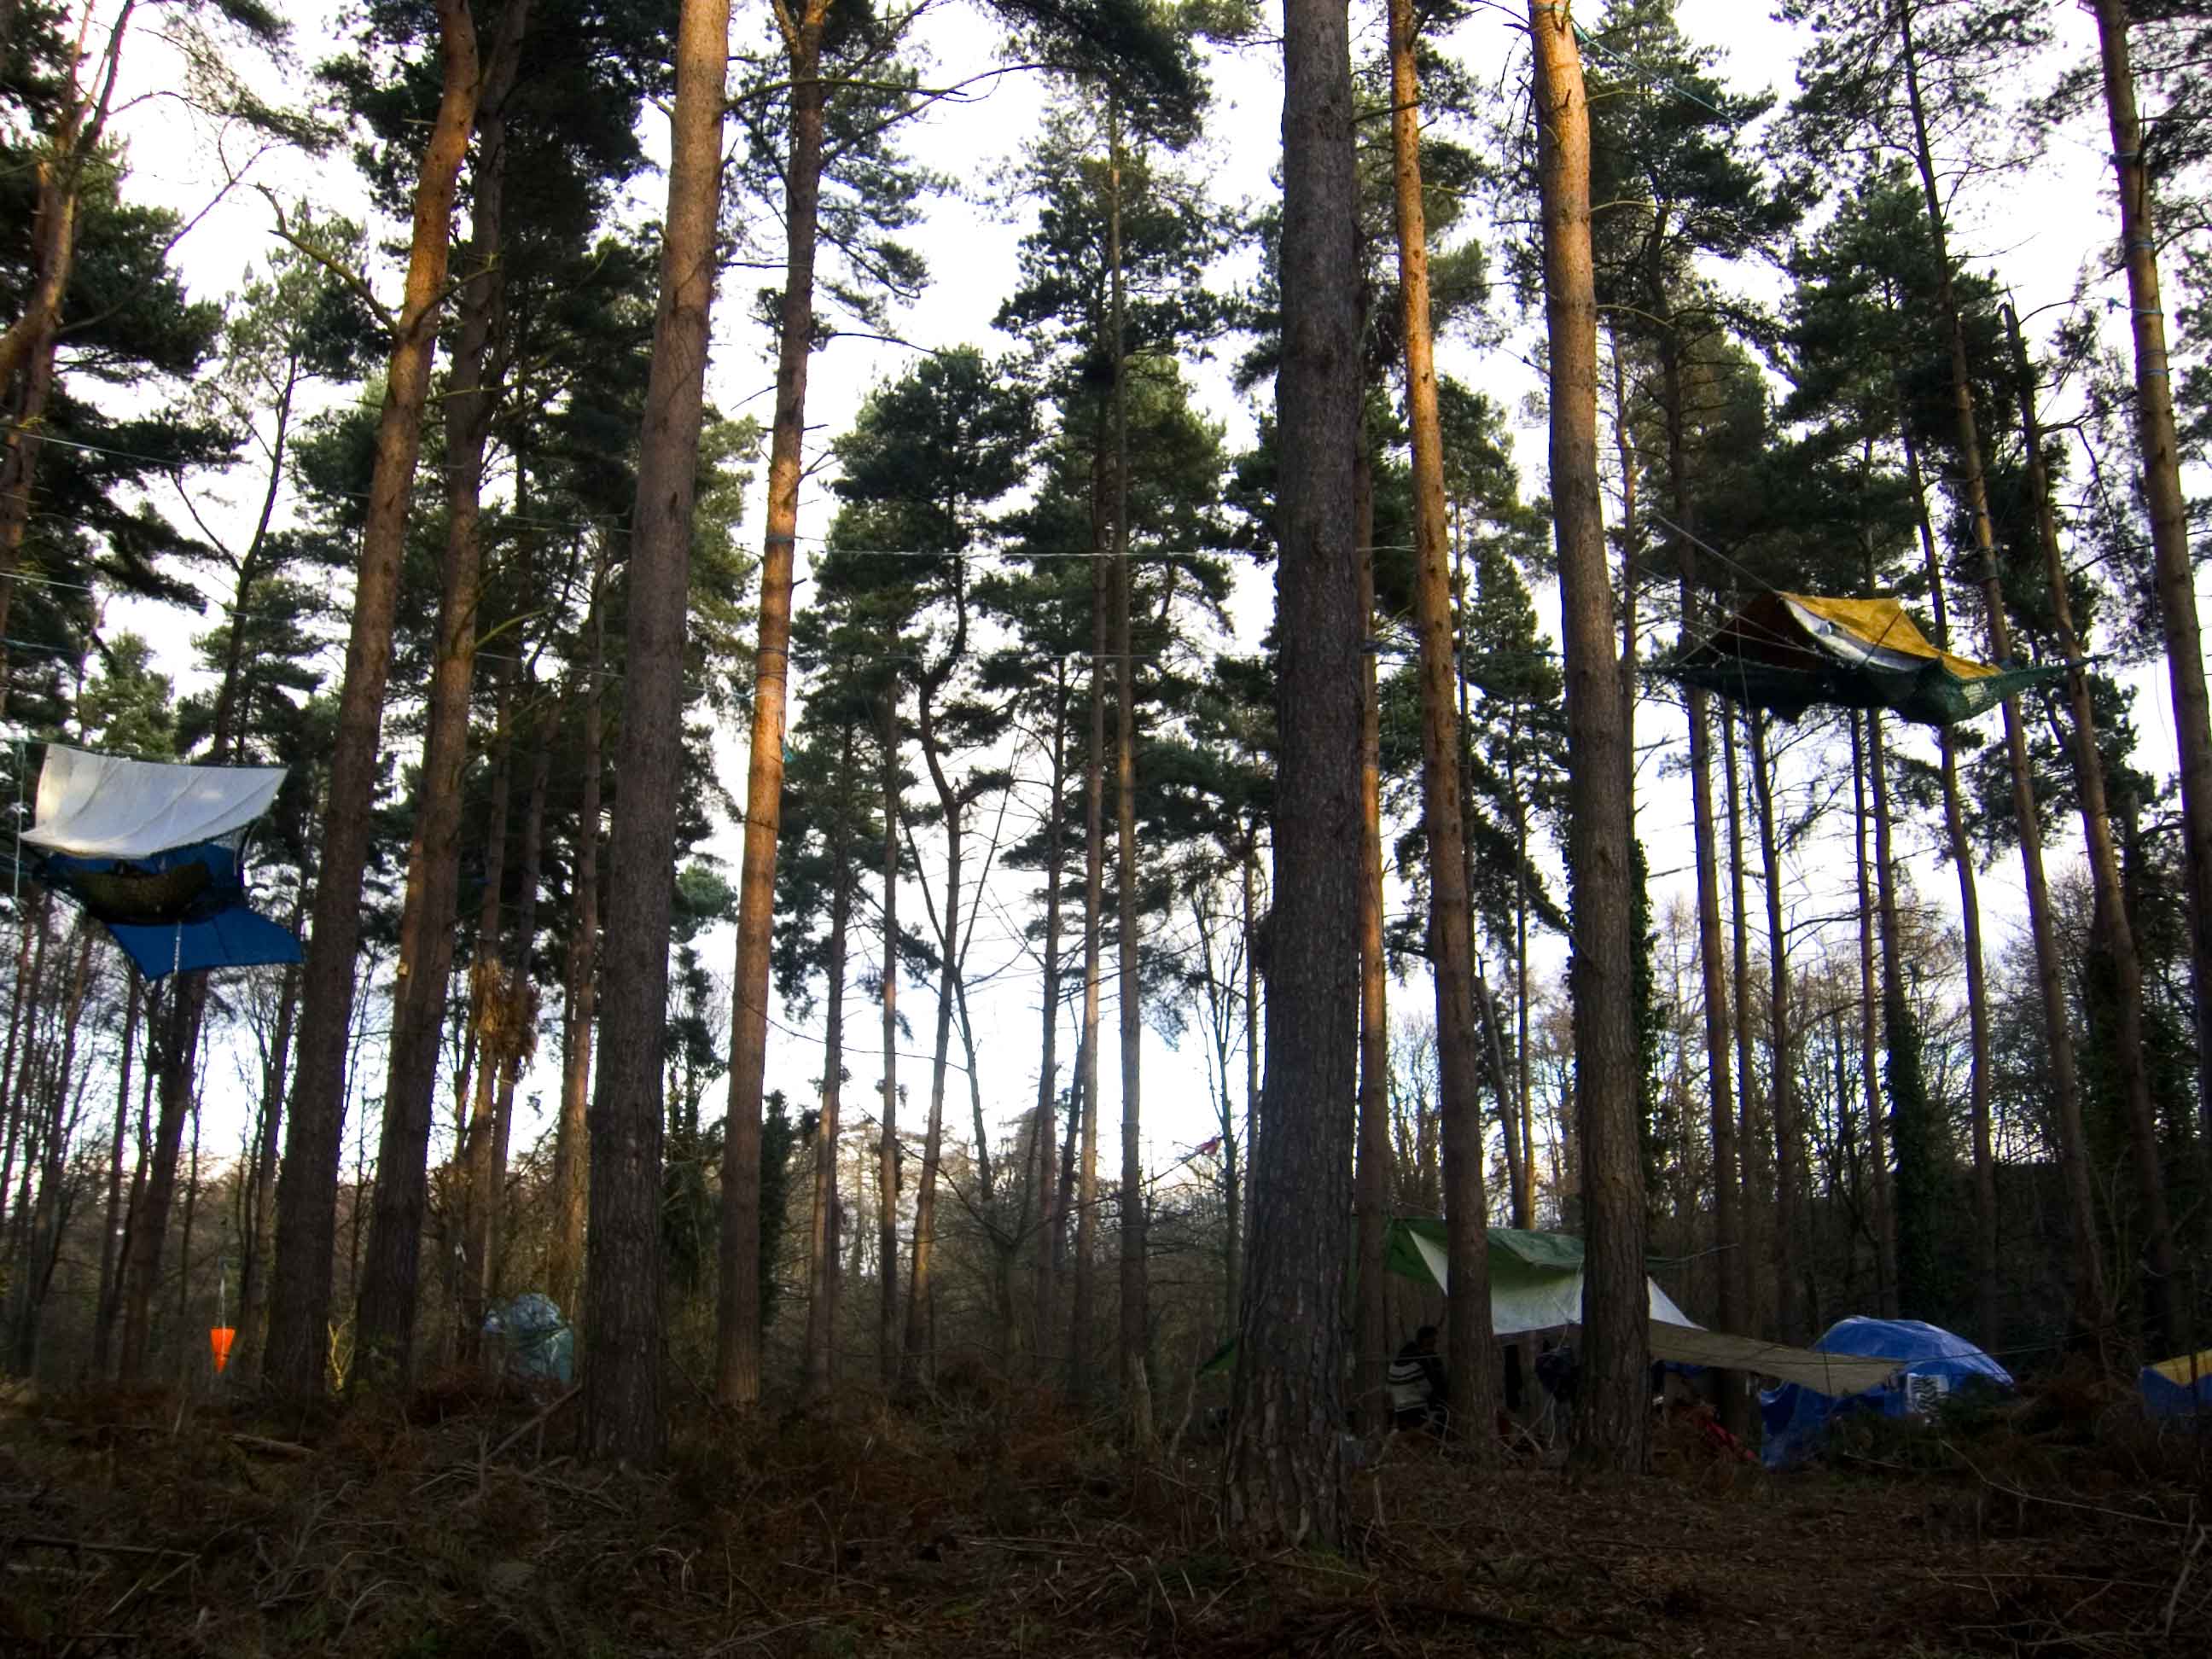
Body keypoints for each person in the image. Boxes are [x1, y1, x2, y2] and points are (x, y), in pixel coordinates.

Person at [1388, 1325, 1450, 1434]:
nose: (1434, 1345)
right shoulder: (1420, 1361)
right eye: (1432, 1342)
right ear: (1425, 1341)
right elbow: (1431, 1389)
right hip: (1418, 1412)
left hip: (1399, 1411)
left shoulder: (1395, 1363)